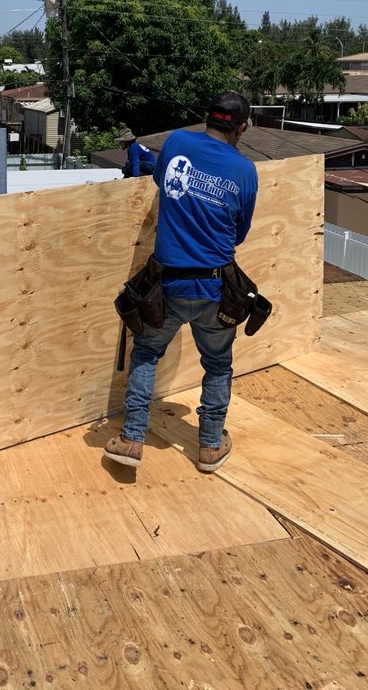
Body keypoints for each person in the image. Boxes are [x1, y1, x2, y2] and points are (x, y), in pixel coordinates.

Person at [104, 92, 258, 473]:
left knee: (146, 352)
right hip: (216, 289)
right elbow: (238, 235)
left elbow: (161, 182)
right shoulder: (245, 171)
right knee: (218, 364)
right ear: (240, 128)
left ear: (208, 117)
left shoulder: (176, 144)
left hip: (167, 287)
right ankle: (210, 446)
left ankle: (132, 440)